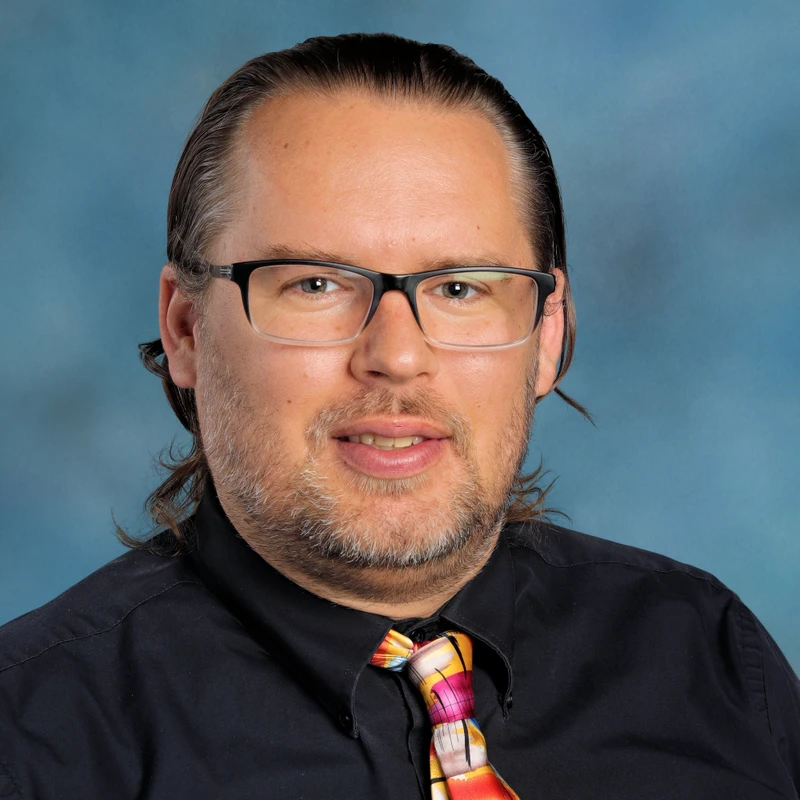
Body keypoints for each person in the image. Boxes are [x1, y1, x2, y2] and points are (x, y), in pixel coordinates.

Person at [0, 32, 797, 800]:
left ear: (547, 336)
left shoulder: (710, 660)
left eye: (460, 289)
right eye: (314, 284)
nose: (397, 354)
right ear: (185, 331)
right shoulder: (33, 739)